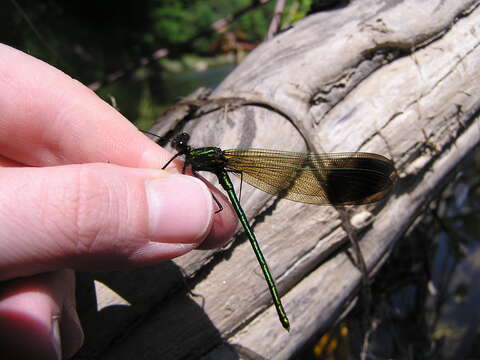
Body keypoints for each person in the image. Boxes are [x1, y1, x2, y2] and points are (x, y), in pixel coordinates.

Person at [0, 44, 237, 359]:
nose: (180, 148)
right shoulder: (185, 157)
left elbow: (174, 169)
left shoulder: (187, 159)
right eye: (180, 146)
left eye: (181, 147)